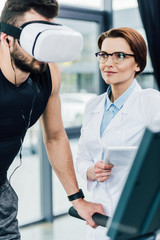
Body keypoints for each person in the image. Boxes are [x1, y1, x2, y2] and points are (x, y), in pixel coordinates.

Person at [0, 0, 105, 239]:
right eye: (34, 41)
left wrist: (77, 199)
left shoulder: (49, 72)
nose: (43, 53)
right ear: (7, 37)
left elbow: (55, 137)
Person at [75, 27, 160, 240]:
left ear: (138, 63)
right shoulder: (92, 105)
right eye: (103, 55)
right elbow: (82, 156)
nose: (108, 63)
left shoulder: (151, 102)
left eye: (119, 56)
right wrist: (90, 171)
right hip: (98, 218)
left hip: (136, 218)